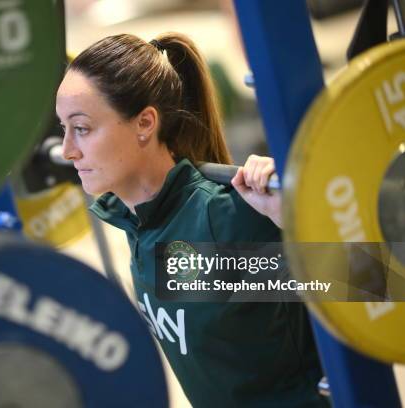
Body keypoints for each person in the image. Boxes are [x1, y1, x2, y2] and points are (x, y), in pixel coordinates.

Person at [56, 33, 328, 407]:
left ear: (145, 123)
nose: (67, 150)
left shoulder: (221, 222)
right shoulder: (140, 225)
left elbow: (380, 277)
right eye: (63, 129)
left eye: (82, 128)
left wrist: (297, 222)